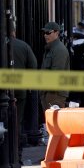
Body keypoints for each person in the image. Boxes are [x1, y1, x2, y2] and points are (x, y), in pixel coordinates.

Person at [10, 24, 36, 161]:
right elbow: (33, 65)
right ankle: (16, 155)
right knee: (16, 122)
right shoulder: (23, 46)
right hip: (19, 90)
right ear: (14, 31)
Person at [40, 21, 70, 111]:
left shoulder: (59, 50)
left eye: (48, 33)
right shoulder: (51, 48)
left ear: (56, 33)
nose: (45, 35)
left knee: (54, 121)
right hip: (49, 93)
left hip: (55, 94)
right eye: (44, 33)